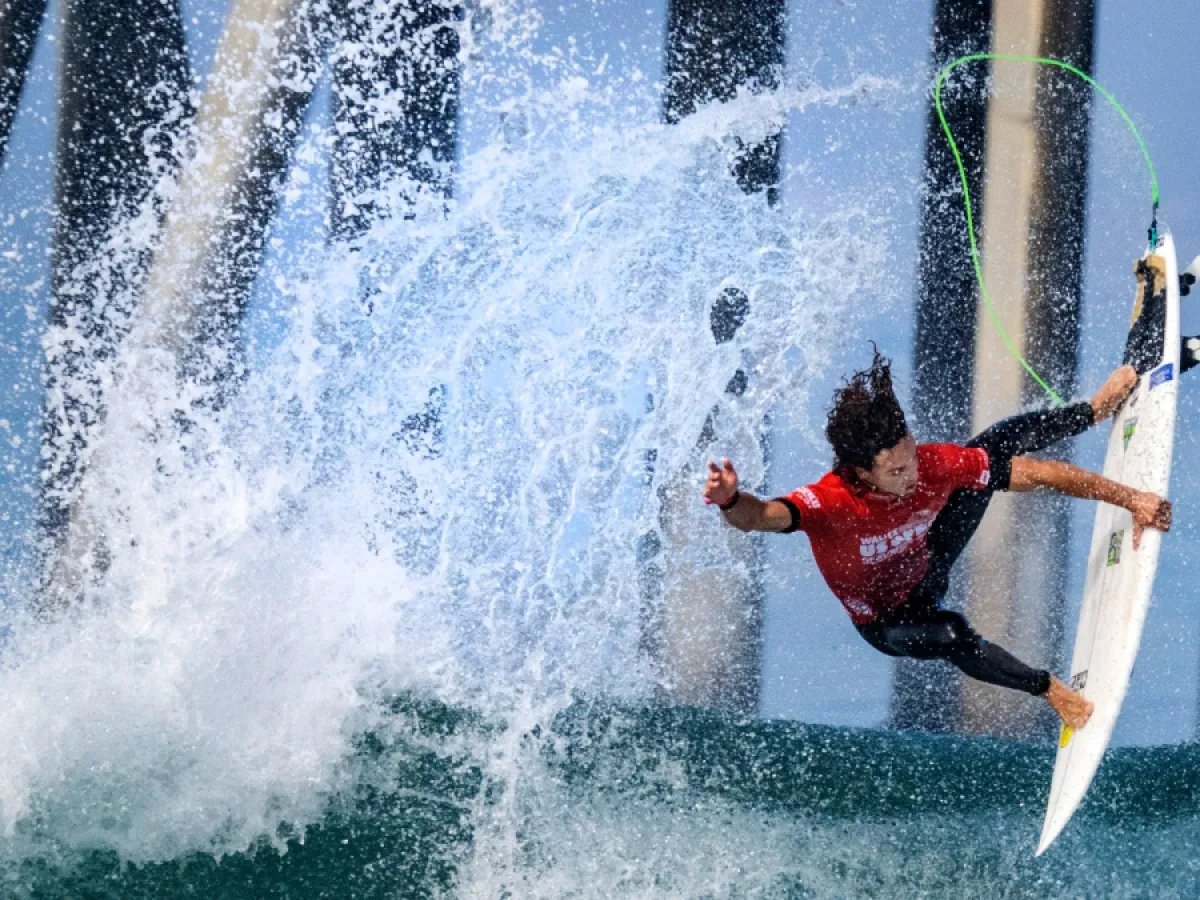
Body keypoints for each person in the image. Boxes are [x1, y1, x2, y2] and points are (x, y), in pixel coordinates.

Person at [702, 349, 1173, 730]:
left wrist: (1131, 499)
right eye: (896, 471)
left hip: (929, 560)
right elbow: (760, 516)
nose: (912, 476)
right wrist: (730, 499)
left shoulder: (932, 465)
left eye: (911, 457)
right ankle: (1050, 691)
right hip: (890, 622)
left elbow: (1037, 474)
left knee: (994, 442)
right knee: (950, 634)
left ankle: (1092, 410)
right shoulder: (831, 502)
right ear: (861, 472)